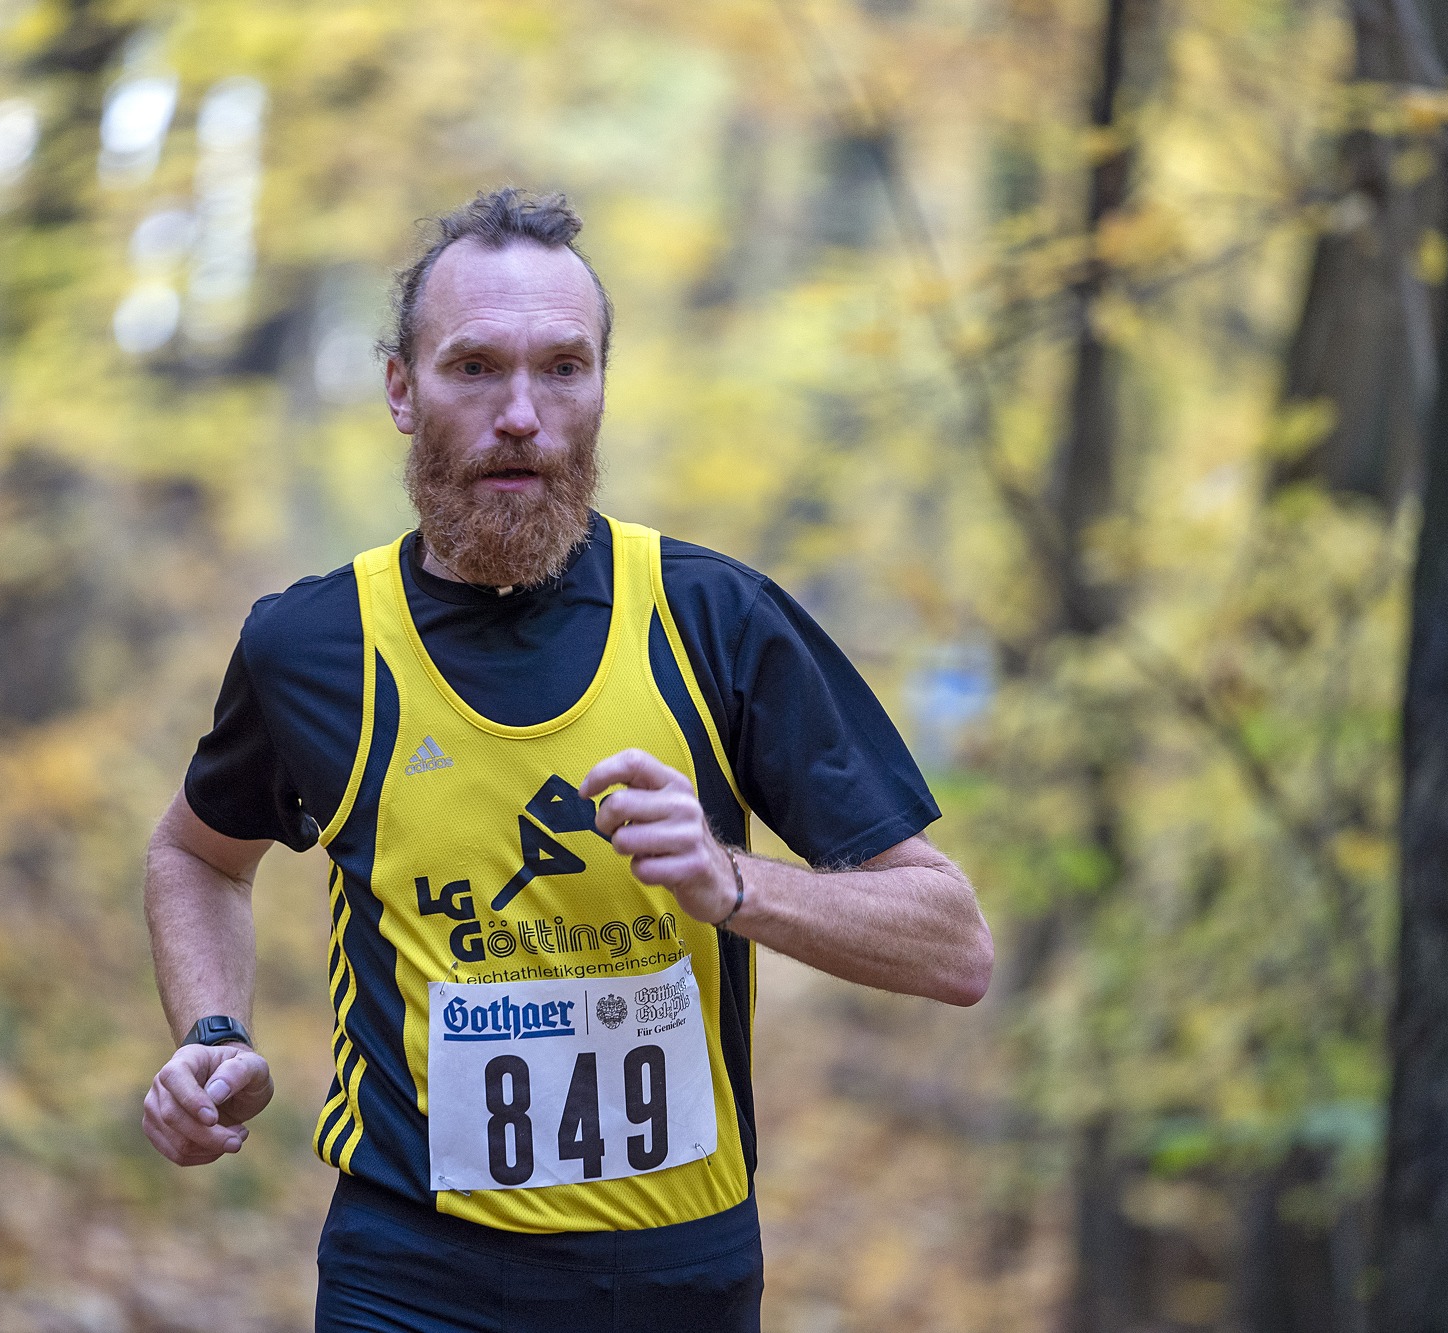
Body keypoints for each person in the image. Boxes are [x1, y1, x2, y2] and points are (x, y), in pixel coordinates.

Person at [140, 187, 994, 1332]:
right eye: (473, 367)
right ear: (399, 389)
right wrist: (212, 1034)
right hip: (407, 1275)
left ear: (600, 387)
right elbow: (196, 855)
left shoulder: (713, 621)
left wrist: (729, 882)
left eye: (562, 368)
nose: (520, 415)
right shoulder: (311, 647)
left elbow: (952, 944)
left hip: (674, 1281)